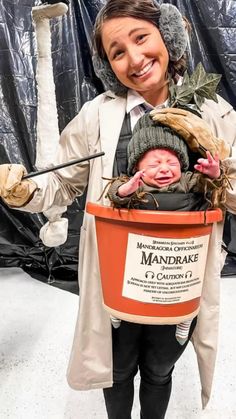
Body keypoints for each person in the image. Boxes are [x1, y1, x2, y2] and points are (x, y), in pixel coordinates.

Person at [0, 1, 236, 418]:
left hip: (179, 280)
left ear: (169, 36)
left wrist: (218, 176)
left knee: (161, 367)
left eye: (141, 38)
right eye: (117, 52)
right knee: (118, 365)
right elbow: (60, 183)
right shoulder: (98, 115)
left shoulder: (214, 114)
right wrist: (24, 192)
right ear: (108, 65)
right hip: (116, 281)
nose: (135, 59)